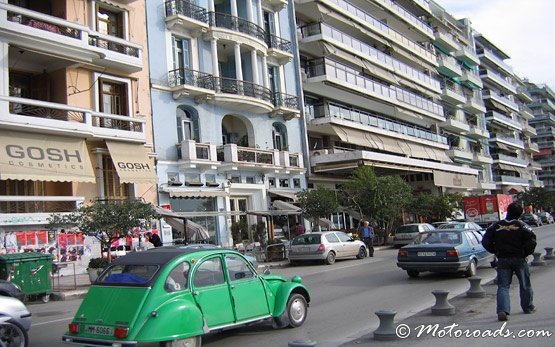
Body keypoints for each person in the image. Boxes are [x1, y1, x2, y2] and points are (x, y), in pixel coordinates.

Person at [481, 202, 537, 322]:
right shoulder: (523, 226)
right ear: (520, 214)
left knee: (503, 286)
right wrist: (525, 253)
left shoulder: (495, 226)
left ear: (507, 211)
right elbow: (532, 241)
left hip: (503, 259)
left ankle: (503, 310)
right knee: (525, 284)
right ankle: (528, 307)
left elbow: (485, 241)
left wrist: (495, 251)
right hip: (519, 259)